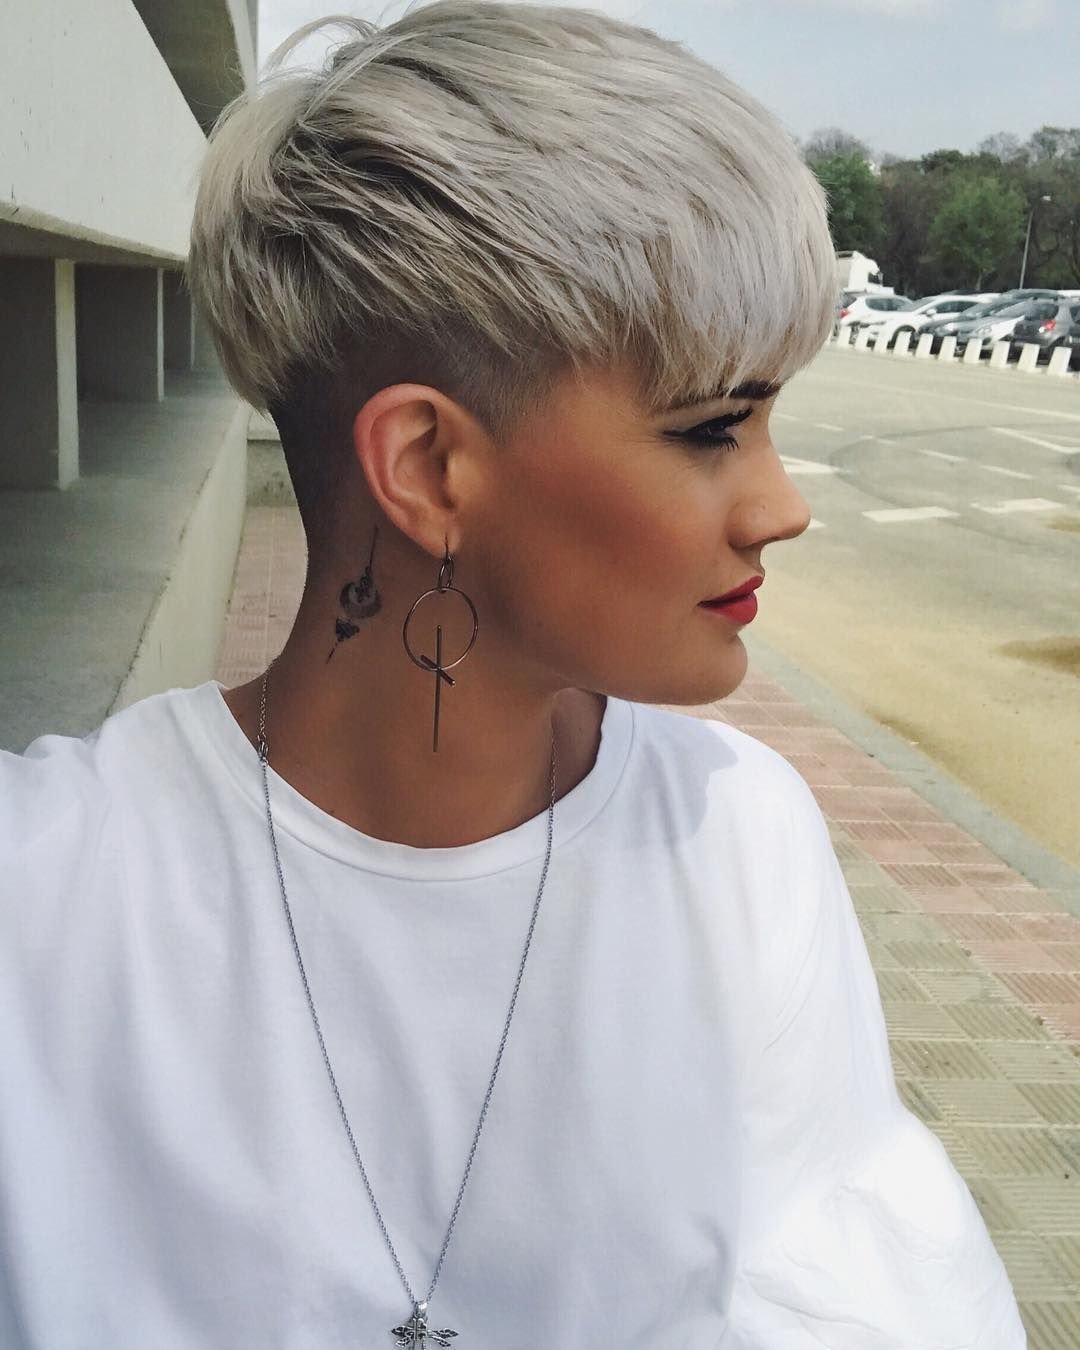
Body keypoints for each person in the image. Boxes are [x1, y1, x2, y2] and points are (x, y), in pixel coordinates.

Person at [0, 3, 1026, 1346]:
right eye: (713, 427)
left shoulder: (739, 842)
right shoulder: (46, 898)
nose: (784, 507)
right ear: (428, 466)